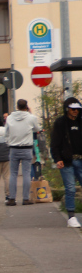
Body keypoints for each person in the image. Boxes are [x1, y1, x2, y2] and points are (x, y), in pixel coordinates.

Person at [50, 96, 82, 227]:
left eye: (77, 109)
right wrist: (58, 158)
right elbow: (55, 143)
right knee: (70, 188)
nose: (75, 111)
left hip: (80, 159)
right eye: (73, 109)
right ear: (67, 109)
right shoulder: (60, 123)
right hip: (66, 160)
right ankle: (71, 216)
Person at [4, 98, 40, 206]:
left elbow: (6, 132)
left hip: (14, 148)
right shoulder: (31, 117)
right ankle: (25, 198)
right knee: (26, 173)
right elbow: (37, 128)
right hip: (26, 148)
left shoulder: (10, 118)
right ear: (26, 107)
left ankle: (11, 198)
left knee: (13, 174)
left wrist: (8, 142)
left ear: (17, 106)